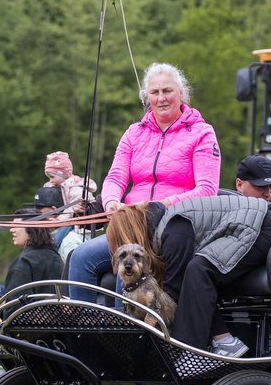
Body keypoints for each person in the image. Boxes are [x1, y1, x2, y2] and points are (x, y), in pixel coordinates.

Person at [67, 63, 221, 301]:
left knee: (126, 267)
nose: (161, 98)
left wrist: (159, 205)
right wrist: (110, 203)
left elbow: (207, 190)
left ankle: (124, 333)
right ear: (146, 96)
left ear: (182, 93)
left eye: (167, 91)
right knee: (80, 257)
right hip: (128, 223)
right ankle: (83, 331)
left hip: (171, 226)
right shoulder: (133, 133)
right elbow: (116, 176)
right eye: (154, 92)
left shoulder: (202, 133)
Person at [104, 193, 271, 355]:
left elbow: (172, 295)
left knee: (198, 269)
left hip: (261, 228)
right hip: (248, 226)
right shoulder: (165, 226)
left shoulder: (174, 232)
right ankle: (224, 341)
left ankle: (188, 353)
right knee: (195, 272)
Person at [5, 209, 64, 293]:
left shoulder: (24, 261)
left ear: (30, 229)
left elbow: (14, 302)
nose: (11, 230)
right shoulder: (55, 256)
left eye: (16, 225)